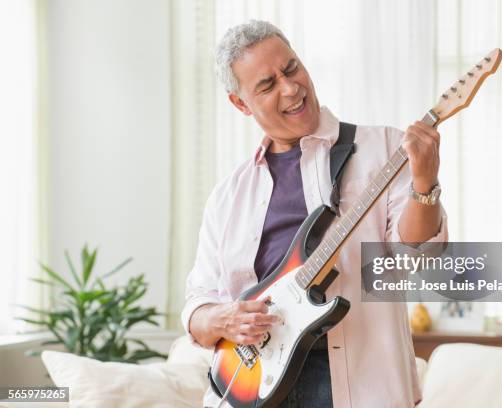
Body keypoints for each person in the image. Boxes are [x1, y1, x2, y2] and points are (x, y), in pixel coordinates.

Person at [182, 20, 448, 408]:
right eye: (267, 85)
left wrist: (425, 184)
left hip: (356, 384)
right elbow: (198, 301)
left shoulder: (385, 148)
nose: (290, 88)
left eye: (291, 68)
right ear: (240, 103)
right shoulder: (228, 195)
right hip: (248, 385)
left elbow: (416, 256)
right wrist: (222, 319)